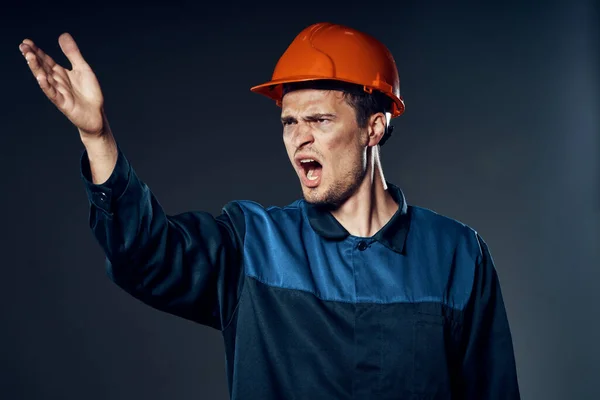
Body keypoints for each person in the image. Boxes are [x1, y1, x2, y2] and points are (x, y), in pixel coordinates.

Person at [20, 22, 521, 400]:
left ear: (375, 127)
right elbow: (144, 257)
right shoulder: (252, 244)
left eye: (320, 119)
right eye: (288, 123)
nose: (299, 137)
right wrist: (97, 137)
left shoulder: (457, 255)